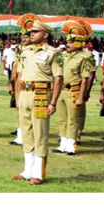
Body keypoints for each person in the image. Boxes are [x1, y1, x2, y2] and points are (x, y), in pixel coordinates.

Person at [12, 17, 62, 185]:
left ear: (45, 34)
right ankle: (27, 170)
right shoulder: (25, 52)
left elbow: (58, 78)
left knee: (40, 133)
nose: (31, 34)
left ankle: (38, 173)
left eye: (35, 32)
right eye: (31, 32)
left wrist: (53, 102)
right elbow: (19, 76)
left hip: (41, 93)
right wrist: (18, 98)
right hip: (25, 93)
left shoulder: (52, 53)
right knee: (26, 132)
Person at [52, 21, 93, 156]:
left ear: (78, 43)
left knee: (73, 120)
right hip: (62, 91)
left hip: (74, 91)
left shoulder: (84, 57)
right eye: (67, 41)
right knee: (62, 119)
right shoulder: (63, 56)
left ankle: (71, 145)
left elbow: (85, 78)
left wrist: (82, 96)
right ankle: (62, 144)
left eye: (71, 42)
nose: (67, 44)